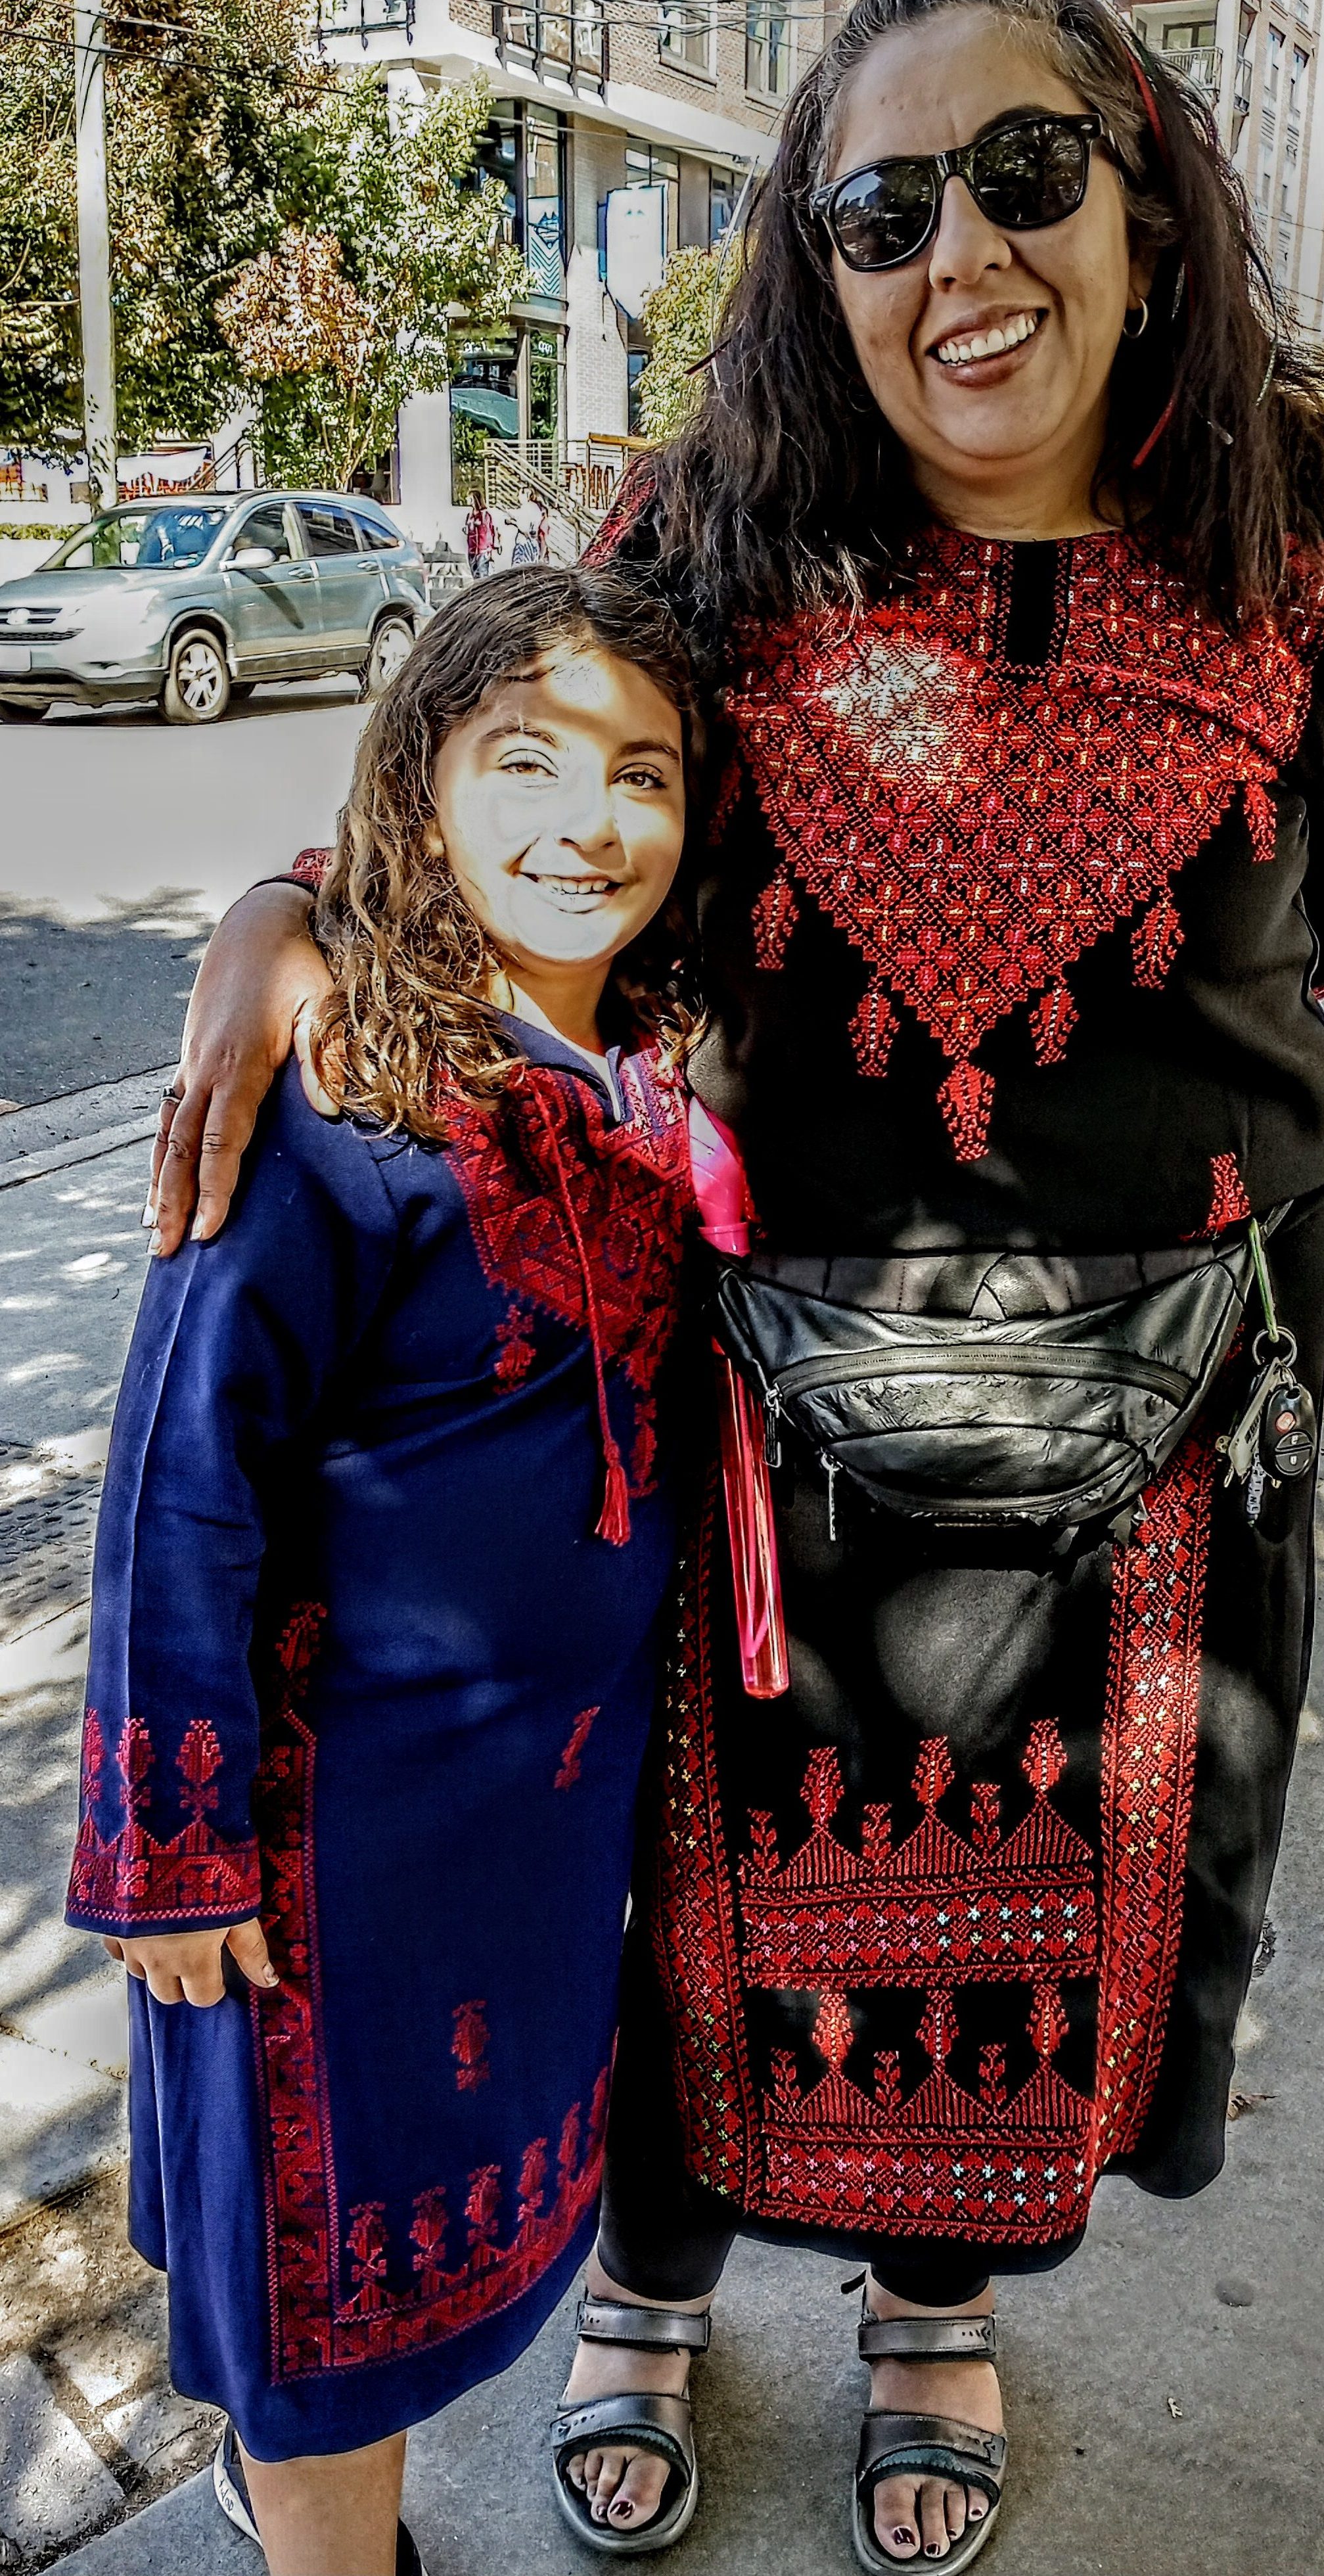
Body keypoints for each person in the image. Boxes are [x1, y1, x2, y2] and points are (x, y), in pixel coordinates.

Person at [142, 0, 1324, 2576]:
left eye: (1022, 175)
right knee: (680, 1891)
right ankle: (651, 2288)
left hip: (1145, 1455)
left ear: (1147, 201)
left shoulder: (1315, 549)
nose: (956, 258)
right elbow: (515, 810)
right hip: (742, 1420)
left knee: (1026, 1929)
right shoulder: (702, 533)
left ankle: (928, 2315)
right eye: (880, 206)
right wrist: (290, 907)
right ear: (813, 259)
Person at [66, 566, 706, 2576]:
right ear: (410, 793)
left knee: (461, 2227)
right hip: (318, 1860)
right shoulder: (332, 1094)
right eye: (521, 760)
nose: (585, 820)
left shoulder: (661, 1092)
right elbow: (179, 1473)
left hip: (529, 1843)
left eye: (644, 773)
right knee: (317, 2289)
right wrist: (167, 1851)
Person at [464, 486, 497, 580]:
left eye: (470, 498)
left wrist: (489, 549)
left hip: (482, 550)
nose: (468, 499)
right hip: (472, 551)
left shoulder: (484, 515)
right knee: (475, 576)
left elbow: (489, 532)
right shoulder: (470, 515)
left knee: (483, 575)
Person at [511, 484, 546, 566]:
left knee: (520, 569)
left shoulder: (526, 508)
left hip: (524, 543)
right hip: (533, 543)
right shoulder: (535, 507)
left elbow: (524, 528)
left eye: (520, 494)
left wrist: (513, 522)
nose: (518, 497)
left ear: (525, 495)